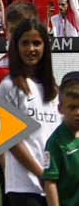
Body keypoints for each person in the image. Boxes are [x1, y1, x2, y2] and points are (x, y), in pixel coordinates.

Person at [0, 19, 61, 206]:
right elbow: (12, 140)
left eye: (36, 43)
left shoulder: (54, 91)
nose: (31, 49)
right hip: (24, 187)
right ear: (15, 47)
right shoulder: (9, 86)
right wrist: (42, 174)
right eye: (25, 43)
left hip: (54, 186)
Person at [41, 76, 79, 206]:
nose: (77, 112)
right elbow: (50, 182)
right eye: (72, 107)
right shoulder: (55, 142)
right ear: (60, 109)